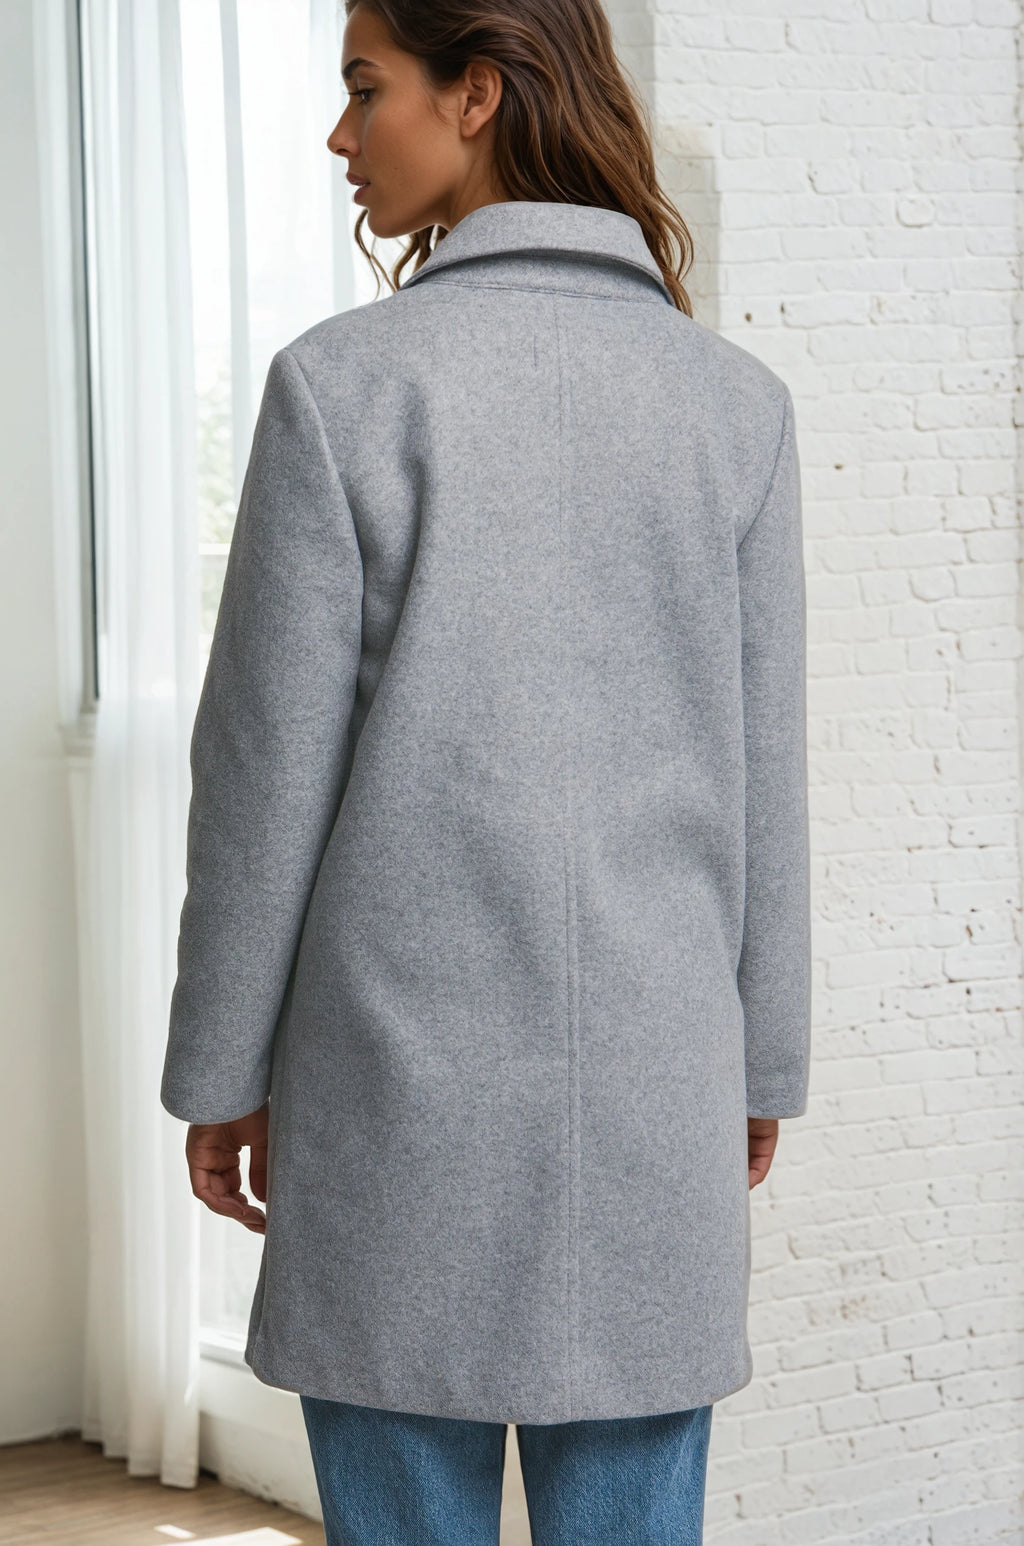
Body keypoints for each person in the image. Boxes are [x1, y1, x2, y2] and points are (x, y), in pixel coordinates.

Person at [159, 0, 811, 1540]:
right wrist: (760, 1061)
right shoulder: (737, 409)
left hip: (398, 1108)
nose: (340, 136)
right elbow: (765, 773)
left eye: (364, 88)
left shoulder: (341, 389)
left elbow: (261, 782)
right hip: (658, 1088)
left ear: (478, 95)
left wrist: (223, 1072)